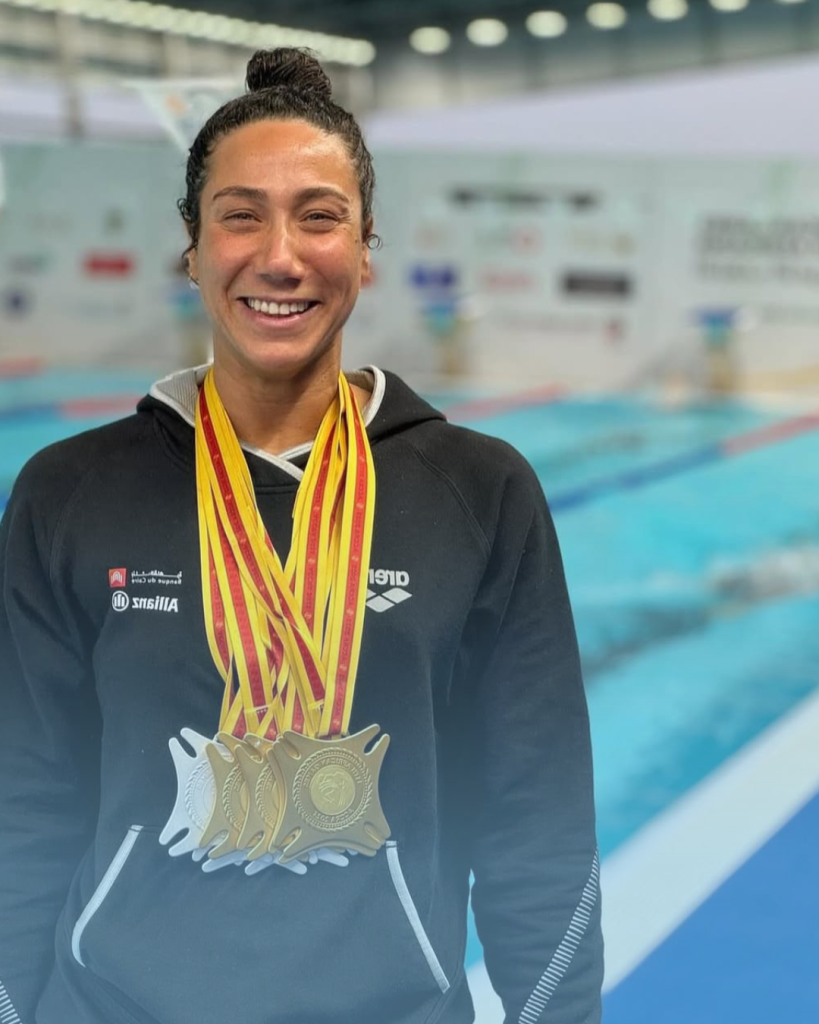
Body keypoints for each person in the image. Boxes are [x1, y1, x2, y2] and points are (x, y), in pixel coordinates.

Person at [0, 48, 603, 1024]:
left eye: (319, 217)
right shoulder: (69, 493)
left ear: (365, 250)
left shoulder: (479, 492)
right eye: (240, 215)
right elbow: (19, 798)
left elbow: (538, 820)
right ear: (192, 247)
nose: (280, 256)